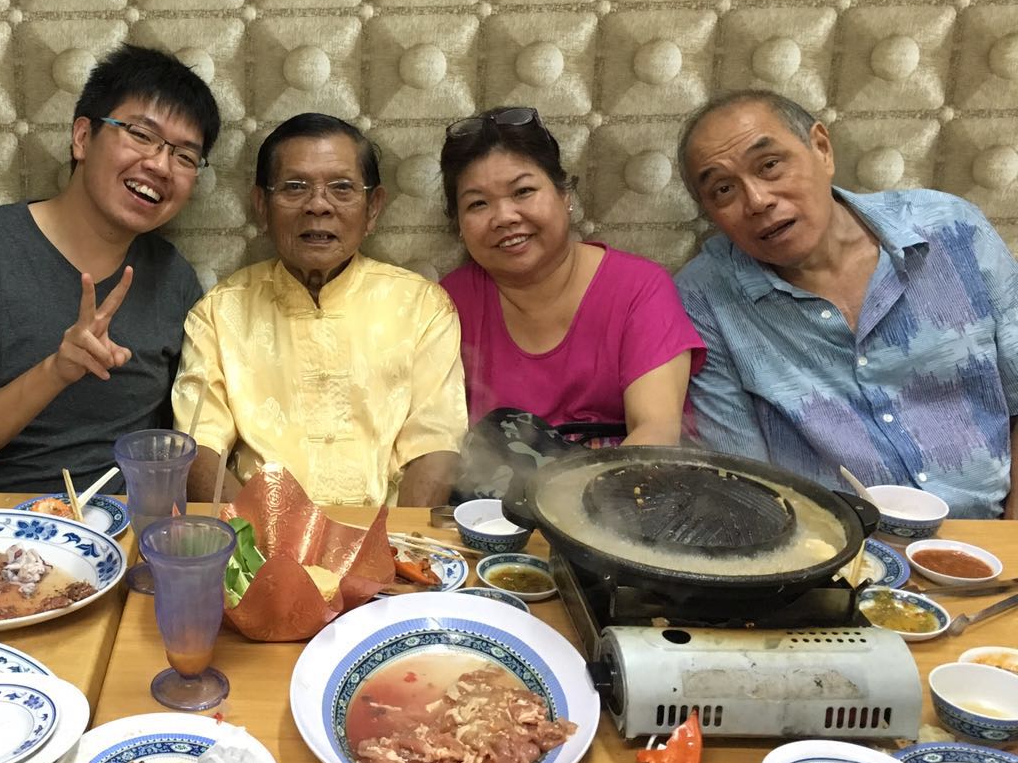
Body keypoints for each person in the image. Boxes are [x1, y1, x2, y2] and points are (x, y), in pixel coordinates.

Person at [675, 89, 1018, 520]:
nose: (758, 201)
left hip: (993, 533)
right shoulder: (705, 298)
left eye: (770, 165)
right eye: (724, 189)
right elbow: (743, 482)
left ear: (821, 148)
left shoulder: (951, 229)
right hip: (835, 546)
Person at [0, 44, 220, 492]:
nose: (161, 165)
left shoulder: (175, 279)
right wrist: (56, 371)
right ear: (83, 137)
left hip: (125, 523)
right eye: (141, 135)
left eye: (185, 156)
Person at [173, 113, 467, 507]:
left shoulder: (423, 306)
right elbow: (200, 446)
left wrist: (401, 540)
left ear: (373, 207)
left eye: (342, 188)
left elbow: (437, 445)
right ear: (262, 205)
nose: (318, 205)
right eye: (294, 187)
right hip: (260, 532)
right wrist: (253, 536)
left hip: (388, 534)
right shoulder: (218, 313)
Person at [438, 107, 703, 447]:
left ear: (565, 196)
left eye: (523, 191)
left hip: (628, 476)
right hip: (493, 482)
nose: (504, 217)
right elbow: (434, 437)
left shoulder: (638, 289)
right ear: (459, 225)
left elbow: (657, 433)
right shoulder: (446, 305)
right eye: (478, 204)